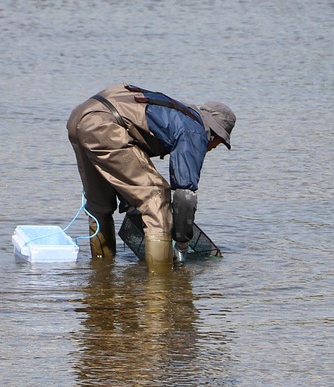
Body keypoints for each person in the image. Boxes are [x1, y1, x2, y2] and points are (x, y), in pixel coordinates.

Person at [67, 84, 235, 270]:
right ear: (215, 134)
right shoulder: (195, 131)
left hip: (80, 116)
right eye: (219, 143)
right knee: (157, 197)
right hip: (105, 124)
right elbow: (184, 195)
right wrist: (182, 244)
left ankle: (101, 271)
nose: (214, 147)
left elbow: (129, 166)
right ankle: (161, 280)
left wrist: (131, 203)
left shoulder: (178, 113)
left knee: (99, 206)